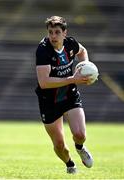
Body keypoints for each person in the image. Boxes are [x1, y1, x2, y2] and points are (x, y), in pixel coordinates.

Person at [35, 16, 93, 174]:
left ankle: (80, 148)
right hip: (49, 100)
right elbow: (44, 82)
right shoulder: (43, 50)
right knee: (59, 145)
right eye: (50, 32)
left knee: (80, 134)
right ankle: (70, 164)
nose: (53, 36)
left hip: (69, 95)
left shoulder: (71, 44)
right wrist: (73, 79)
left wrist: (84, 66)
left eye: (57, 32)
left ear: (64, 33)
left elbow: (83, 51)